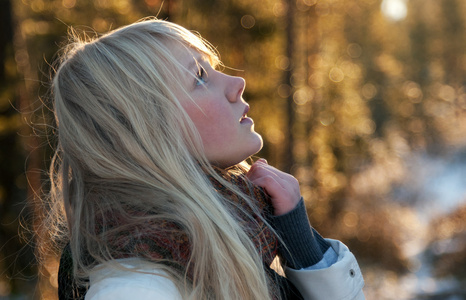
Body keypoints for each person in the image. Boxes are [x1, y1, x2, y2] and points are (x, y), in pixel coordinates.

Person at [42, 18, 365, 299]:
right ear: (146, 130)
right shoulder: (136, 287)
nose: (237, 83)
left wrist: (302, 245)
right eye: (199, 77)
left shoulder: (232, 229)